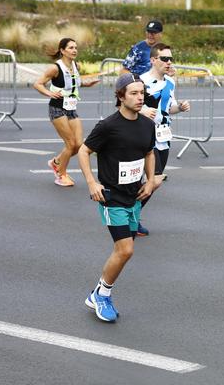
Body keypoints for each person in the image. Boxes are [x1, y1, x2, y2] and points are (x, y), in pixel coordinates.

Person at [78, 73, 156, 322]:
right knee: (125, 250)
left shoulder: (146, 124)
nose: (139, 97)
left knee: (124, 249)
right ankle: (102, 295)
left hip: (134, 195)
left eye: (141, 93)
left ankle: (98, 292)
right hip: (111, 197)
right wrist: (92, 182)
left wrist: (151, 180)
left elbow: (149, 152)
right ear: (120, 96)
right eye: (133, 93)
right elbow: (84, 150)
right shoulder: (108, 126)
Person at [137, 43, 189, 236]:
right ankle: (130, 215)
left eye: (170, 59)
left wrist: (180, 107)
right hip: (144, 135)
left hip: (163, 136)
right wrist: (142, 109)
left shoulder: (170, 82)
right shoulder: (141, 81)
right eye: (164, 58)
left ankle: (129, 214)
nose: (169, 62)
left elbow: (169, 107)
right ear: (153, 60)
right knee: (155, 180)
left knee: (151, 181)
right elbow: (123, 104)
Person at [33, 38, 98, 187]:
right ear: (62, 50)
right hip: (57, 108)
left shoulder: (76, 65)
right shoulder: (55, 68)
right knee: (70, 144)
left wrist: (87, 84)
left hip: (71, 108)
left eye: (75, 47)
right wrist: (49, 93)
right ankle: (61, 174)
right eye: (70, 48)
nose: (74, 50)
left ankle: (56, 162)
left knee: (78, 145)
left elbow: (73, 84)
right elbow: (37, 84)